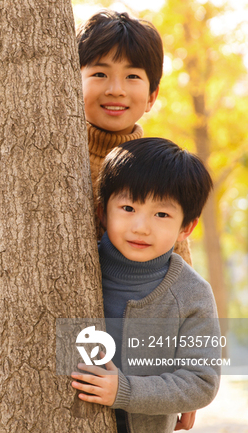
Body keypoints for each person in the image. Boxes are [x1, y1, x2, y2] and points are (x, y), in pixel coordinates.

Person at [71, 137, 220, 433]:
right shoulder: (71, 268)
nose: (141, 227)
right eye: (127, 208)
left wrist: (124, 390)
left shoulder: (192, 294)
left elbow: (201, 381)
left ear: (186, 228)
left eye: (162, 214)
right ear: (102, 211)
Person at [76, 9, 193, 265]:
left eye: (132, 76)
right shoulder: (48, 154)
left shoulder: (159, 170)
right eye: (99, 74)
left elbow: (179, 268)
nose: (116, 90)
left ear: (152, 96)